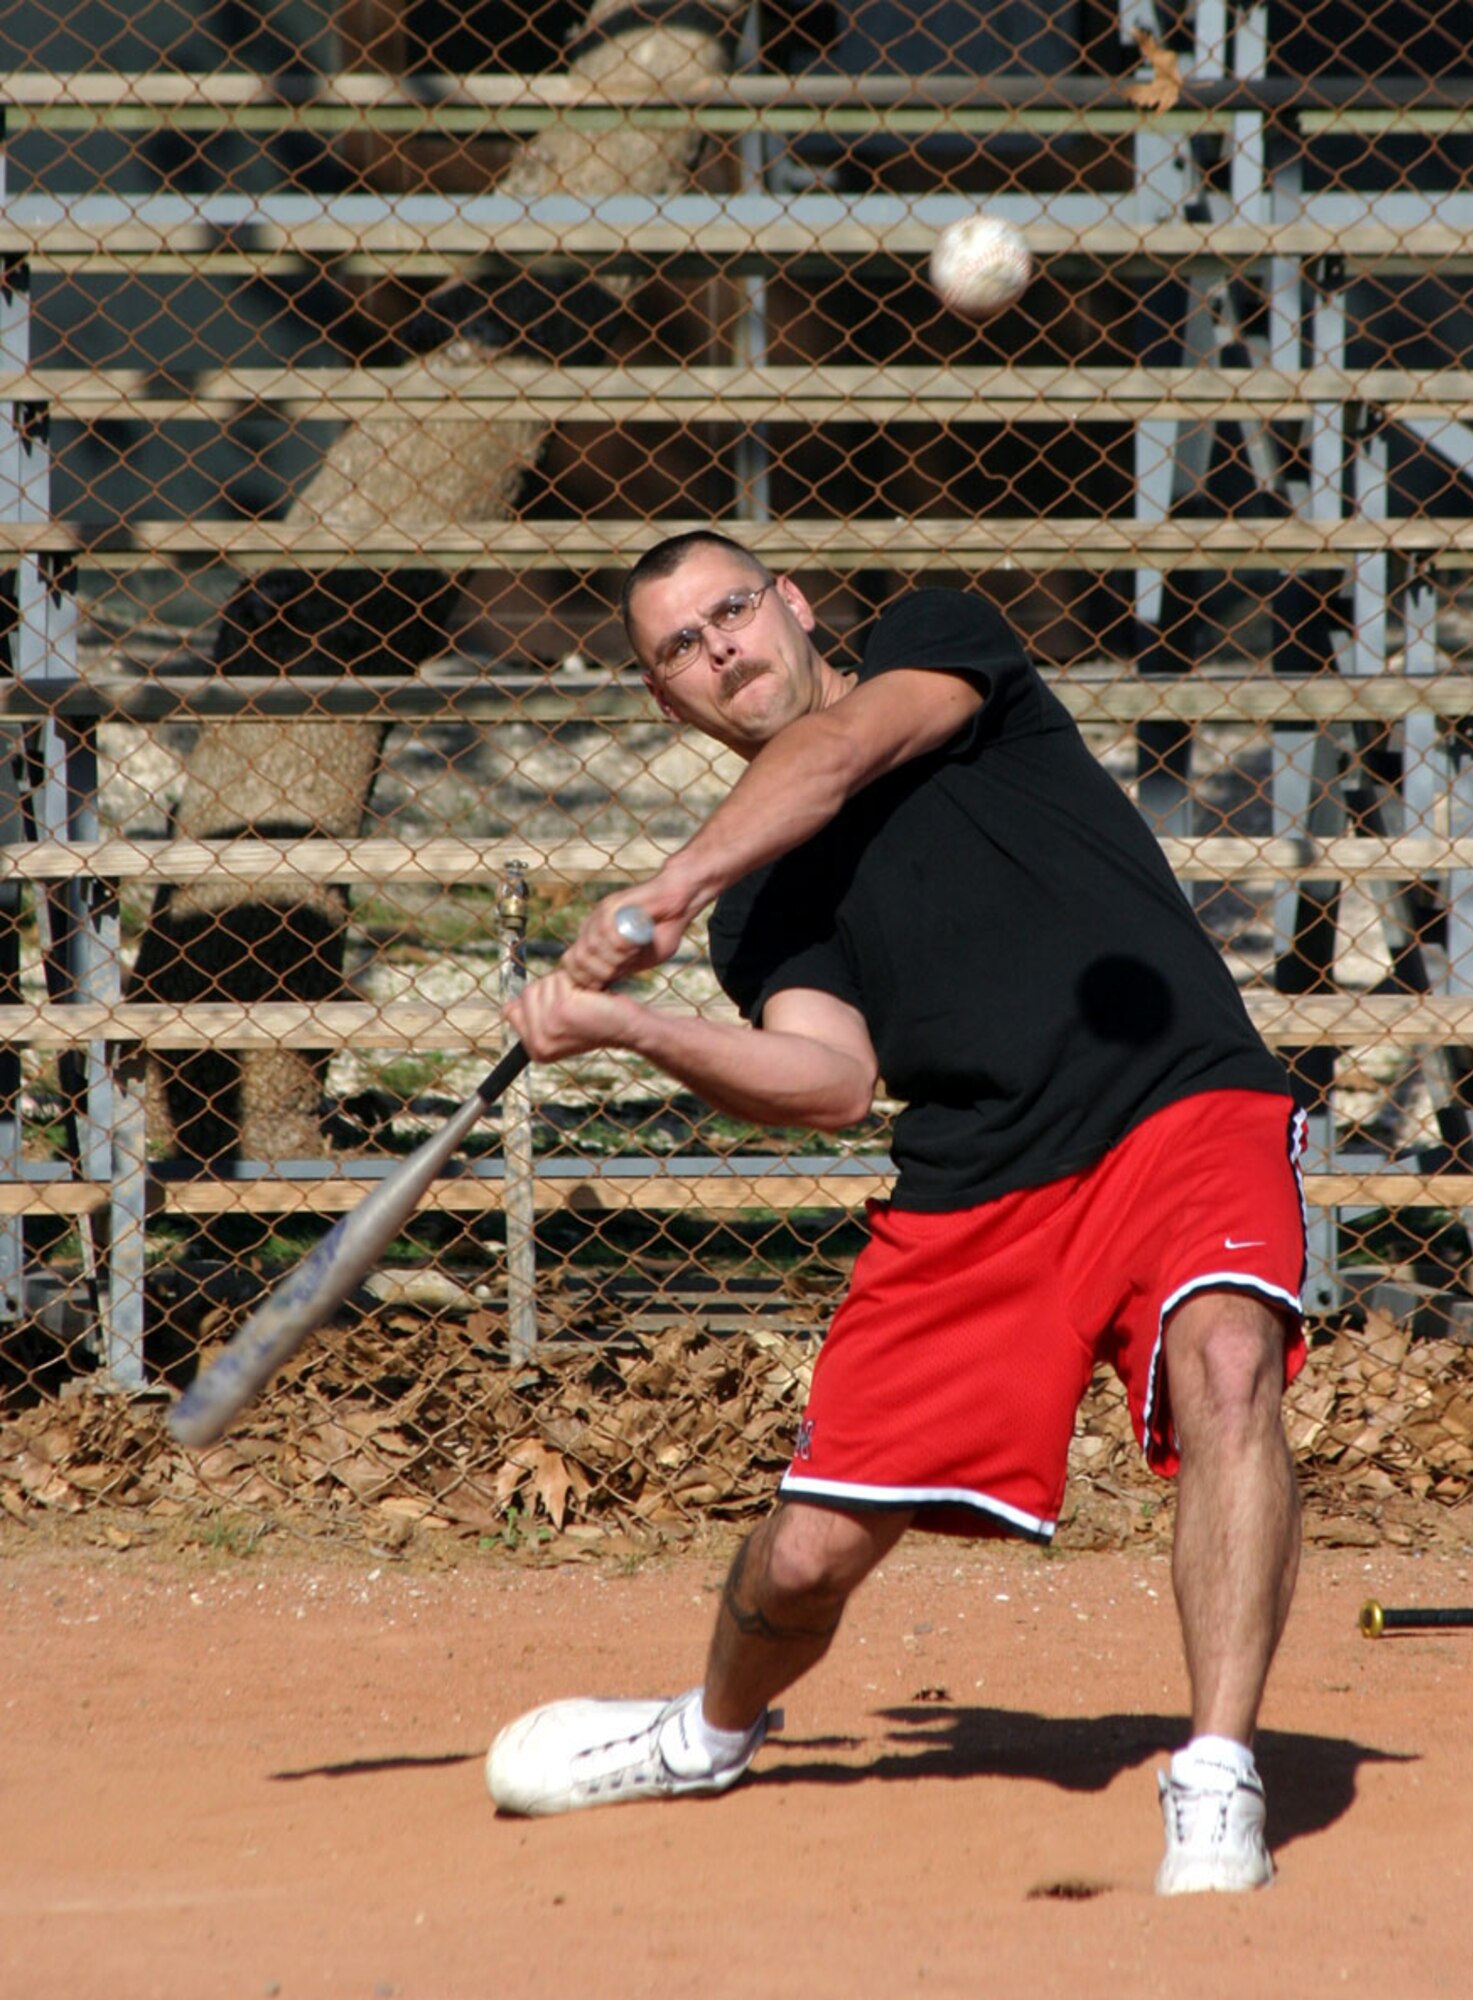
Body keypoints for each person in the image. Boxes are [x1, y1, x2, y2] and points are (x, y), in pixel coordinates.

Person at [489, 529, 1308, 1894]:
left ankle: (1214, 1773)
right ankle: (705, 1733)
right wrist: (632, 1026)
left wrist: (664, 886)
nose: (721, 652)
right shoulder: (759, 906)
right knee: (805, 1560)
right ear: (661, 697)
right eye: (678, 650)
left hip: (1176, 1102)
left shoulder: (942, 644)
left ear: (795, 605)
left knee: (1225, 1361)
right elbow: (825, 1081)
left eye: (732, 612)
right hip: (978, 1185)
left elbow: (838, 756)